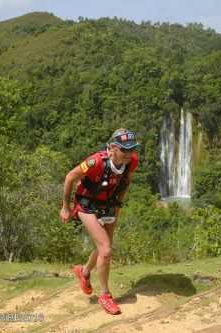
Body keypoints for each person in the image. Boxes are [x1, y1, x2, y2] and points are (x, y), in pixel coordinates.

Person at [60, 128, 139, 315]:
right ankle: (105, 295)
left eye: (132, 149)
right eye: (124, 150)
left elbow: (126, 182)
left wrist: (118, 206)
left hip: (109, 203)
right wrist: (65, 207)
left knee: (105, 246)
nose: (129, 154)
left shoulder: (131, 162)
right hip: (86, 204)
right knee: (106, 249)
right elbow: (70, 177)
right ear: (112, 148)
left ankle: (84, 272)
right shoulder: (95, 161)